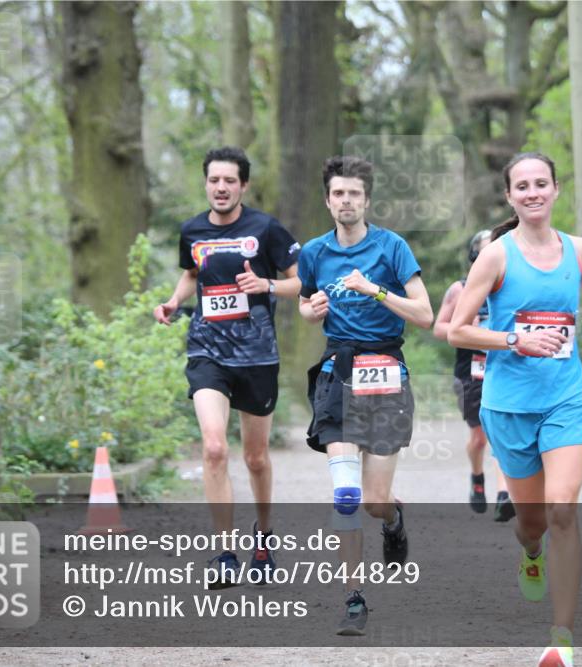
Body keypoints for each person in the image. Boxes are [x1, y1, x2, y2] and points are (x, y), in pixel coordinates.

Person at [447, 152, 582, 666]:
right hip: (509, 406)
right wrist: (514, 339)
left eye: (541, 183)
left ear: (556, 189)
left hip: (565, 399)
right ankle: (531, 553)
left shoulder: (579, 250)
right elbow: (457, 329)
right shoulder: (496, 256)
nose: (532, 192)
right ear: (510, 196)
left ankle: (561, 638)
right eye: (522, 186)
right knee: (533, 523)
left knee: (564, 509)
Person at [297, 155, 433, 636]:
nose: (346, 201)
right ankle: (354, 598)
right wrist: (311, 310)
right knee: (347, 494)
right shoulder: (313, 252)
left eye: (354, 193)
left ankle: (393, 519)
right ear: (328, 200)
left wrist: (373, 289)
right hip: (338, 371)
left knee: (374, 500)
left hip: (386, 373)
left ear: (367, 200)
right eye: (338, 193)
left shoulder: (392, 247)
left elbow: (424, 315)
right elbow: (306, 301)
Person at [153, 146, 301, 587]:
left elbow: (301, 281)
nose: (221, 188)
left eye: (229, 181)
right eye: (214, 180)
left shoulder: (266, 228)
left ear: (243, 186)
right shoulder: (192, 230)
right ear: (206, 183)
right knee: (215, 448)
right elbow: (192, 274)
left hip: (257, 356)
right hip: (207, 351)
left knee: (255, 457)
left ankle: (264, 536)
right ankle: (223, 552)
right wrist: (174, 301)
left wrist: (267, 284)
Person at [432, 230, 513, 520]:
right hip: (470, 372)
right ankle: (477, 477)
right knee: (479, 439)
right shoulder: (461, 289)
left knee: (499, 433)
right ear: (474, 256)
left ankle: (504, 494)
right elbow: (439, 328)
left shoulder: (512, 286)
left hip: (504, 369)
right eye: (485, 250)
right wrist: (464, 325)